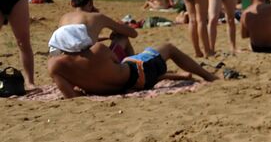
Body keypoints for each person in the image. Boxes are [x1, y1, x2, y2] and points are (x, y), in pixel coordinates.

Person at [46, 38, 216, 97]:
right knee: (168, 48)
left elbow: (72, 97)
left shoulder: (56, 67)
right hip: (139, 75)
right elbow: (118, 61)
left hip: (120, 88)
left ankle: (170, 76)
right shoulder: (97, 48)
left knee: (131, 63)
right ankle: (209, 76)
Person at [53, 0, 136, 59]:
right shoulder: (97, 16)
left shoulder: (63, 18)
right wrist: (118, 30)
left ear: (71, 3)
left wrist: (105, 37)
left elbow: (74, 41)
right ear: (90, 3)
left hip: (67, 63)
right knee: (123, 37)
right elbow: (133, 33)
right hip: (89, 64)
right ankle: (133, 69)